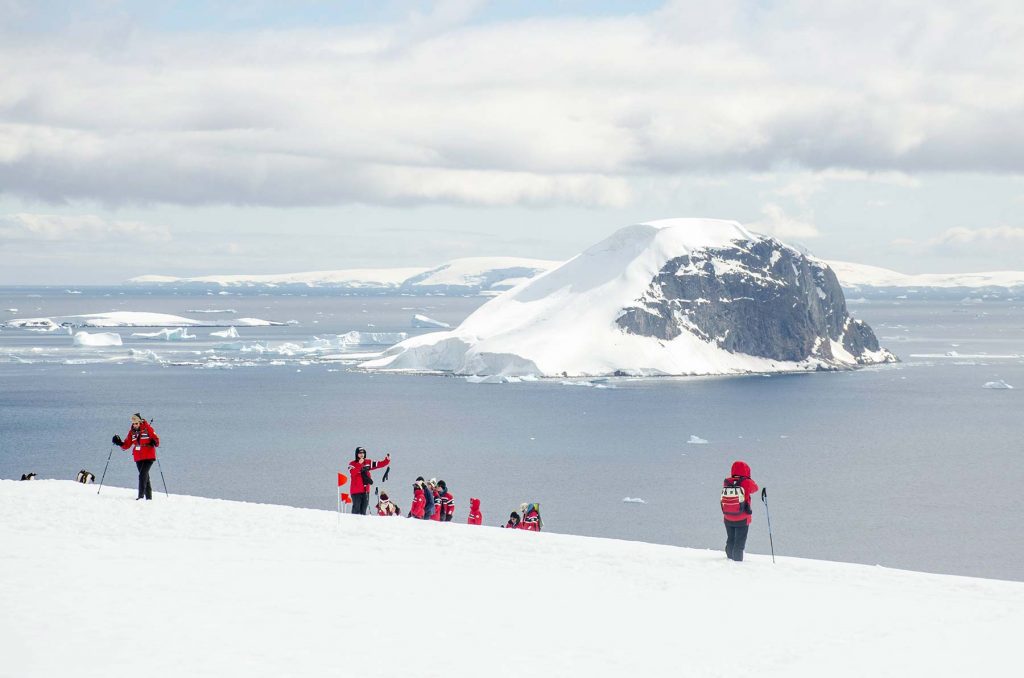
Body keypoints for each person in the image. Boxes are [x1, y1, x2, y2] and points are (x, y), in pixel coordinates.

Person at [112, 413, 160, 501]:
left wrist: (154, 442)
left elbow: (156, 440)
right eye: (133, 424)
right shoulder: (132, 432)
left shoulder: (147, 428)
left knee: (142, 475)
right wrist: (119, 443)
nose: (135, 425)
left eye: (136, 423)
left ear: (140, 422)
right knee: (145, 477)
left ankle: (140, 497)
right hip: (138, 458)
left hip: (149, 456)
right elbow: (126, 445)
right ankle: (149, 499)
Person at [721, 460, 759, 561]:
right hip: (742, 518)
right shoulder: (747, 482)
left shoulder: (727, 481)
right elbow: (756, 488)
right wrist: (748, 478)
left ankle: (729, 560)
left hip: (728, 516)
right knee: (739, 542)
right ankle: (737, 564)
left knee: (731, 539)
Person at [348, 447, 390, 516]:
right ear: (356, 454)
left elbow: (379, 464)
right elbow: (353, 473)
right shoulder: (352, 464)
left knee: (364, 509)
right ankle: (353, 523)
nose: (362, 454)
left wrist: (387, 460)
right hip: (355, 491)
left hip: (366, 490)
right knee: (356, 509)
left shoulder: (368, 462)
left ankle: (362, 524)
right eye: (360, 453)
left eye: (363, 453)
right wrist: (359, 464)